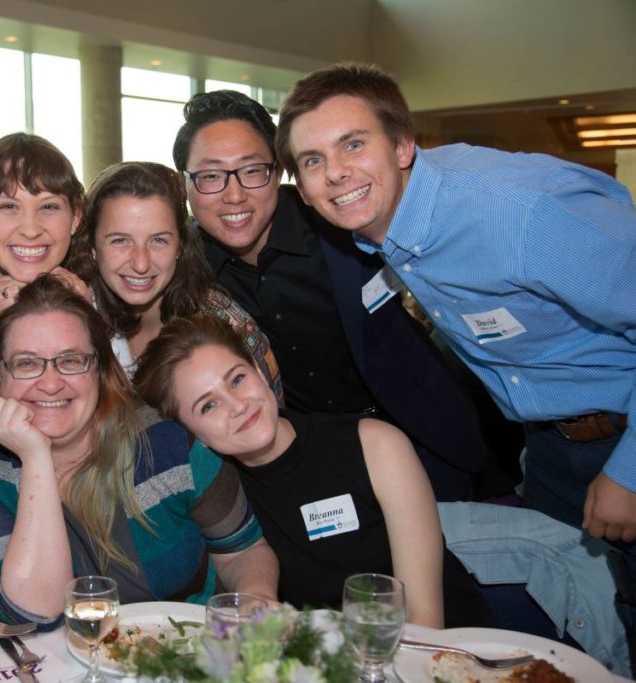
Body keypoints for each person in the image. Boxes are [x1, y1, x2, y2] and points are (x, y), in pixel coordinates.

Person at [275, 62, 636, 544]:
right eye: (313, 160)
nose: (336, 173)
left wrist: (629, 472)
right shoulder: (383, 227)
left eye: (354, 144)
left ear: (403, 146)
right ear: (302, 188)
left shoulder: (519, 213)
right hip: (551, 448)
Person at [172, 90, 485, 501]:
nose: (234, 195)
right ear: (187, 185)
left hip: (424, 438)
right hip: (313, 472)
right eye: (211, 176)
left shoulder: (339, 222)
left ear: (279, 171)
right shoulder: (185, 271)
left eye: (252, 171)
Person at [0, 275, 278, 625]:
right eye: (26, 363)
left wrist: (256, 599)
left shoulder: (170, 439)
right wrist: (35, 458)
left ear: (101, 370)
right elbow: (31, 611)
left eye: (72, 360)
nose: (49, 383)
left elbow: (242, 551)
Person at [135, 315, 495, 628]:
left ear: (260, 370)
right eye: (209, 405)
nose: (238, 406)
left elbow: (424, 620)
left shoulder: (374, 446)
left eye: (237, 379)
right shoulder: (217, 501)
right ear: (188, 434)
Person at [0, 133, 129, 439]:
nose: (30, 230)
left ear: (75, 217)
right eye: (8, 207)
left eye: (49, 207)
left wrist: (89, 321)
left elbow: (126, 418)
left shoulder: (95, 290)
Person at [67, 160, 281, 396]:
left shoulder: (225, 325)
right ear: (92, 246)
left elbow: (269, 413)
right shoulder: (71, 313)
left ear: (180, 245)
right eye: (120, 240)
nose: (141, 264)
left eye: (159, 240)